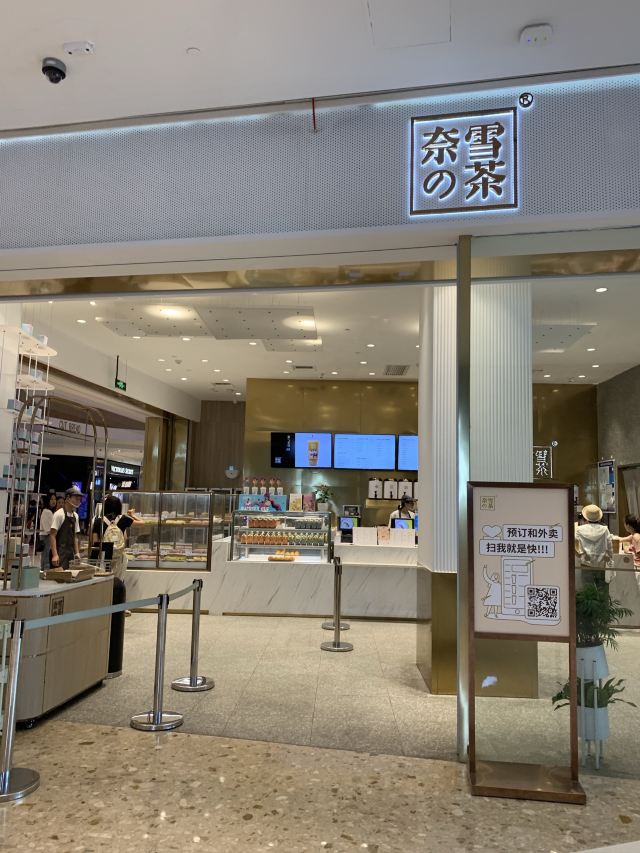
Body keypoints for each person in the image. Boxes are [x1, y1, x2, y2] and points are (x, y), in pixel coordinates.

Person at [575, 504, 613, 586]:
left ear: (586, 517)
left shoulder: (579, 529)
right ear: (599, 518)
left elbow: (573, 543)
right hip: (601, 562)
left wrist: (579, 554)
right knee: (602, 588)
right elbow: (610, 546)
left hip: (586, 562)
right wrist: (610, 557)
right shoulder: (604, 529)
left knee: (588, 589)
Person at [50, 486, 83, 569]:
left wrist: (77, 552)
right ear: (68, 498)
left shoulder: (76, 516)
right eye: (76, 498)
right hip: (60, 551)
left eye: (79, 499)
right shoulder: (59, 514)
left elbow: (75, 536)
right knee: (60, 575)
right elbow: (52, 535)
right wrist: (55, 555)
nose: (78, 501)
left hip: (70, 552)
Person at [619, 513, 640, 590]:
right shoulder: (633, 535)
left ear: (628, 525)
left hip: (638, 567)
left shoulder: (636, 536)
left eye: (624, 523)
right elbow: (621, 539)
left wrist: (630, 550)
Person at [39, 494, 57, 569]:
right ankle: (45, 569)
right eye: (51, 499)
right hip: (47, 535)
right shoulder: (47, 511)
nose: (53, 501)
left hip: (47, 534)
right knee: (46, 553)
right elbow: (48, 528)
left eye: (54, 499)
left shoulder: (50, 511)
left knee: (45, 554)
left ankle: (44, 568)